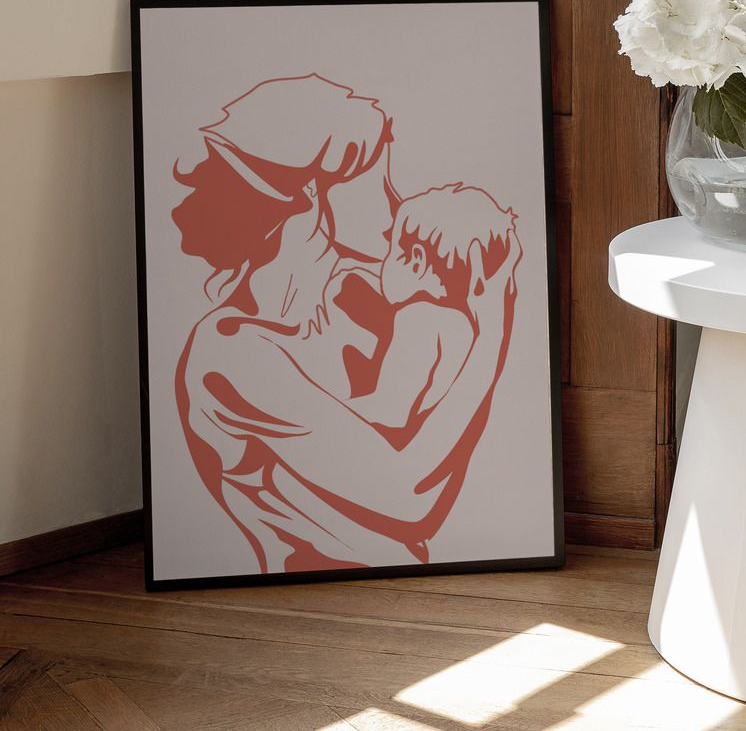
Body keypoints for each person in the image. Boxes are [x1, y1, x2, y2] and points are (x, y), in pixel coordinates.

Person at [173, 73, 522, 573]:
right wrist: (493, 334)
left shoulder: (361, 293)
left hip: (415, 588)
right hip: (310, 590)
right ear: (313, 196)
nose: (397, 202)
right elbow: (406, 498)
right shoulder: (231, 351)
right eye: (378, 182)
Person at [347, 184, 519, 442]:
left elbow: (389, 411)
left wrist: (328, 407)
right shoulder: (460, 324)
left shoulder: (417, 318)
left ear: (416, 260)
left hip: (391, 442)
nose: (382, 263)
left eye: (390, 250)